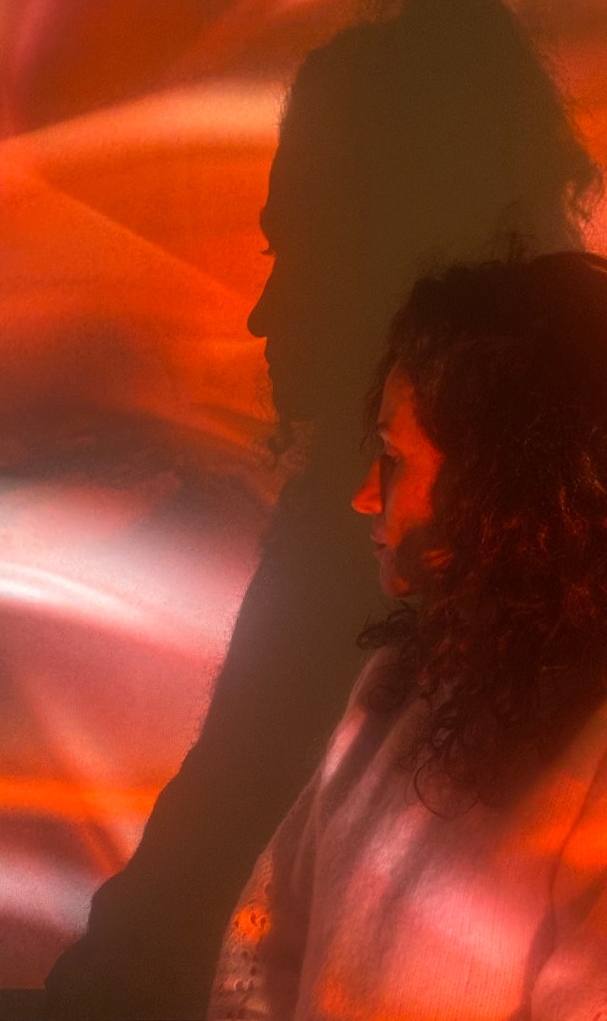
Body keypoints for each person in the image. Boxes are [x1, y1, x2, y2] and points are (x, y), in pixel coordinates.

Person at [46, 0, 600, 1016]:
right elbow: (236, 937)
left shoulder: (386, 615)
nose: (264, 312)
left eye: (289, 251)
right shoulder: (379, 656)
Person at [209, 251, 607, 1020]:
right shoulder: (402, 681)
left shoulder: (592, 745)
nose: (364, 497)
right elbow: (267, 939)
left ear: (506, 488)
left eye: (393, 459)